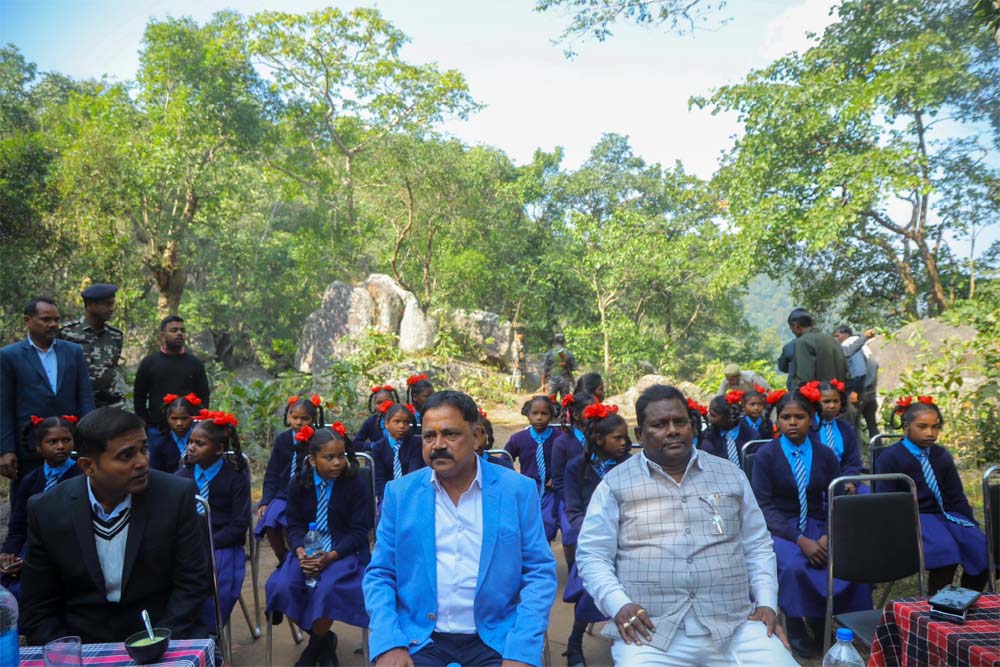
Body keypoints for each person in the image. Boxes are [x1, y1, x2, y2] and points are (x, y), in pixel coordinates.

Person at [576, 384, 796, 667]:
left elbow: (757, 545)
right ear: (639, 435)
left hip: (735, 626)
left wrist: (766, 602)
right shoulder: (615, 485)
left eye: (680, 422)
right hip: (650, 633)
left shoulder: (730, 474)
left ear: (692, 426)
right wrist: (619, 604)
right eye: (659, 424)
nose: (672, 430)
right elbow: (593, 555)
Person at [363, 390, 557, 667]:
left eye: (450, 434)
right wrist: (389, 642)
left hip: (497, 640)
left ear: (476, 436)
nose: (438, 445)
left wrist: (521, 649)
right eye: (429, 436)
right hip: (418, 639)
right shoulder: (401, 494)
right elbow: (380, 574)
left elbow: (539, 573)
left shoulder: (516, 490)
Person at [21, 407, 210, 645]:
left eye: (144, 449)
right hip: (82, 642)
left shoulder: (174, 496)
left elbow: (192, 583)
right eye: (125, 456)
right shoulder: (48, 510)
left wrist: (158, 642)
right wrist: (67, 652)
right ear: (88, 467)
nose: (142, 462)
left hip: (163, 632)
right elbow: (37, 605)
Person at [750, 388, 871, 658]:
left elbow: (834, 497)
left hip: (817, 521)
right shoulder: (766, 455)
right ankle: (795, 622)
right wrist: (800, 540)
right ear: (777, 420)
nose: (792, 423)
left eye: (800, 417)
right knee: (795, 565)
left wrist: (827, 534)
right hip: (781, 527)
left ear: (811, 418)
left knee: (844, 558)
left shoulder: (825, 454)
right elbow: (764, 506)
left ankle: (824, 619)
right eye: (786, 417)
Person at [267, 424, 371, 667]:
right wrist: (299, 550)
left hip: (343, 550)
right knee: (281, 586)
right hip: (308, 550)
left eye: (341, 456)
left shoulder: (355, 483)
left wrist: (331, 556)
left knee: (327, 589)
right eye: (329, 457)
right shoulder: (298, 483)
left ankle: (315, 647)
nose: (338, 462)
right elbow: (294, 525)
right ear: (313, 460)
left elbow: (359, 531)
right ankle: (323, 640)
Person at [875, 396, 989, 595]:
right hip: (913, 517)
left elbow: (956, 495)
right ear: (906, 427)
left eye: (935, 427)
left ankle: (965, 600)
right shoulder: (890, 457)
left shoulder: (941, 455)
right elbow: (885, 501)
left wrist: (970, 524)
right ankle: (938, 606)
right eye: (922, 426)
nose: (930, 433)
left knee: (982, 549)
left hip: (946, 514)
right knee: (946, 552)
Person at [1, 297, 95, 492]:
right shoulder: (9, 356)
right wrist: (5, 449)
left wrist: (90, 441)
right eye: (45, 319)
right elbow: (4, 405)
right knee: (28, 501)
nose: (52, 324)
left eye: (56, 320)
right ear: (28, 321)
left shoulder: (73, 352)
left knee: (73, 497)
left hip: (68, 447)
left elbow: (85, 398)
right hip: (29, 448)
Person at [562, 403, 630, 666]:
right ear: (599, 439)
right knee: (590, 586)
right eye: (618, 438)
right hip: (592, 539)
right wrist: (596, 535)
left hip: (628, 535)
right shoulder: (577, 467)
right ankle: (574, 641)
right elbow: (573, 510)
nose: (624, 443)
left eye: (626, 437)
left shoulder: (630, 465)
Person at [176, 410, 250, 634]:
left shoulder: (235, 477)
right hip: (188, 544)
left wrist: (208, 542)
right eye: (190, 442)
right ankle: (184, 630)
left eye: (199, 443)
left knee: (221, 581)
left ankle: (209, 634)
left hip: (222, 544)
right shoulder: (181, 478)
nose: (191, 447)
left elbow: (239, 525)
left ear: (218, 449)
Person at [1, 415, 82, 598]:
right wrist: (8, 554)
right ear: (39, 447)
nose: (60, 446)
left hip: (69, 550)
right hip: (32, 548)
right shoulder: (31, 480)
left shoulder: (82, 476)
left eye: (66, 440)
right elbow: (18, 525)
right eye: (52, 442)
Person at [257, 395, 324, 564]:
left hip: (308, 493)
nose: (299, 422)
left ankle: (298, 557)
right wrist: (266, 500)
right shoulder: (283, 440)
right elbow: (272, 472)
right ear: (289, 417)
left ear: (313, 419)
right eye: (295, 417)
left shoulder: (319, 440)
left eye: (304, 418)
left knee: (291, 523)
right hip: (283, 494)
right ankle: (283, 559)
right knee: (270, 519)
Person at [133, 315, 211, 429]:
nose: (179, 333)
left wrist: (197, 422)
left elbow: (203, 395)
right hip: (156, 427)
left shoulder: (195, 363)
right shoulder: (149, 362)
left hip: (187, 429)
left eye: (182, 330)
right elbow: (139, 396)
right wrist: (145, 422)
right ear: (162, 336)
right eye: (174, 330)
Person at [59, 283, 126, 409]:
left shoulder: (116, 335)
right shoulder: (66, 332)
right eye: (107, 304)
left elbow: (112, 368)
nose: (112, 309)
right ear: (90, 304)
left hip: (109, 405)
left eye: (113, 304)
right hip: (76, 404)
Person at [504, 395, 561, 541]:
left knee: (547, 526)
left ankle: (544, 552)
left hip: (550, 491)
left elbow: (569, 461)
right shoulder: (518, 439)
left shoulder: (559, 438)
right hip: (527, 490)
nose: (539, 418)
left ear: (552, 415)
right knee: (527, 526)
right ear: (527, 414)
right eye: (534, 413)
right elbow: (505, 459)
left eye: (544, 413)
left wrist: (558, 477)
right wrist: (515, 478)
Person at [551, 392, 596, 570]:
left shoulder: (598, 438)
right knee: (571, 534)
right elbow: (558, 478)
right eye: (589, 410)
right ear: (576, 415)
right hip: (570, 499)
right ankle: (573, 571)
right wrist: (572, 500)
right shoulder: (562, 442)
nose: (594, 413)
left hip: (596, 495)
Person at [812, 381, 864, 494]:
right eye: (826, 401)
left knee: (869, 495)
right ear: (816, 403)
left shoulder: (845, 428)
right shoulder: (808, 428)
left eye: (836, 401)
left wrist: (850, 481)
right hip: (815, 484)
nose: (832, 406)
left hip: (842, 480)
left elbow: (853, 461)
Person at [370, 403, 425, 501]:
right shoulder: (378, 447)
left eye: (406, 422)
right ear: (386, 424)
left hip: (411, 493)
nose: (402, 426)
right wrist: (389, 497)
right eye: (397, 421)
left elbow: (413, 473)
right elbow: (379, 479)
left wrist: (404, 496)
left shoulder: (415, 443)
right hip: (387, 494)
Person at [833, 326, 880, 439]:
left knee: (851, 427)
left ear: (846, 334)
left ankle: (854, 450)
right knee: (873, 429)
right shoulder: (866, 349)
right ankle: (878, 450)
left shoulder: (850, 345)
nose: (835, 339)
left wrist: (856, 391)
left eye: (837, 336)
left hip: (857, 393)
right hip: (870, 392)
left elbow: (860, 372)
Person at [787, 308, 847, 389]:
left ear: (796, 325)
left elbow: (805, 379)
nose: (792, 331)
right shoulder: (832, 340)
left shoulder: (803, 342)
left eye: (791, 328)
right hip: (839, 393)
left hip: (818, 394)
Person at [699, 393, 760, 467]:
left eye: (713, 415)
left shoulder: (752, 435)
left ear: (728, 418)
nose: (709, 418)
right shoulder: (708, 436)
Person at [150, 393, 202, 473]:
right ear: (167, 419)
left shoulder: (201, 441)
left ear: (193, 417)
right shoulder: (160, 445)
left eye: (184, 418)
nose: (179, 423)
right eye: (174, 419)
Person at [354, 385, 400, 451]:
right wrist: (374, 445)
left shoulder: (402, 418)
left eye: (386, 401)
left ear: (393, 402)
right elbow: (356, 444)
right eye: (379, 403)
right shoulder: (370, 422)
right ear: (374, 405)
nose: (383, 405)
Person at [541, 333, 577, 400]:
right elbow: (573, 368)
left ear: (554, 341)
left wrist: (543, 384)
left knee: (551, 402)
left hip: (552, 381)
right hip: (565, 381)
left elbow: (544, 370)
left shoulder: (549, 353)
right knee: (565, 401)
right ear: (564, 341)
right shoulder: (569, 353)